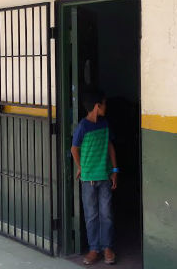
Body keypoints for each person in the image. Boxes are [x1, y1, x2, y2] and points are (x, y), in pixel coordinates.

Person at [71, 90, 118, 265]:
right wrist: (81, 167)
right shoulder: (83, 126)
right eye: (104, 104)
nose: (106, 107)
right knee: (92, 215)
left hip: (104, 176)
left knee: (106, 214)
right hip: (88, 179)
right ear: (97, 106)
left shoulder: (105, 124)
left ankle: (107, 247)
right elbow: (74, 149)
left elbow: (110, 146)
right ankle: (94, 248)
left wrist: (115, 170)